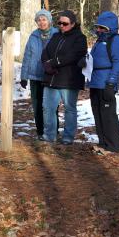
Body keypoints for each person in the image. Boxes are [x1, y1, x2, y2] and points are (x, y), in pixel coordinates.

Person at [41, 10, 87, 144]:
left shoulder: (80, 38)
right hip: (52, 78)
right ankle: (49, 135)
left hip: (69, 79)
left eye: (65, 23)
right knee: (48, 108)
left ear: (73, 24)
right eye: (59, 23)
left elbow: (74, 55)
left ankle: (68, 137)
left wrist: (54, 63)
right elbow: (46, 52)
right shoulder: (56, 36)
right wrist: (46, 64)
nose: (61, 25)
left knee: (69, 109)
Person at [89, 11, 119, 155]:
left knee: (108, 115)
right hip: (95, 83)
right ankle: (103, 143)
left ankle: (115, 146)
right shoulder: (98, 41)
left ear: (109, 27)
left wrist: (111, 83)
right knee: (98, 113)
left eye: (101, 27)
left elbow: (118, 63)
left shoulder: (116, 40)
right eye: (97, 27)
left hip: (106, 83)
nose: (98, 30)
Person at [20, 9, 59, 139]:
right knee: (37, 106)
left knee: (51, 106)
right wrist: (24, 76)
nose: (41, 22)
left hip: (51, 76)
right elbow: (27, 56)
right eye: (39, 20)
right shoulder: (33, 35)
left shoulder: (57, 34)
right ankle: (41, 132)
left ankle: (53, 132)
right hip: (35, 76)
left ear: (49, 20)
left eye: (44, 19)